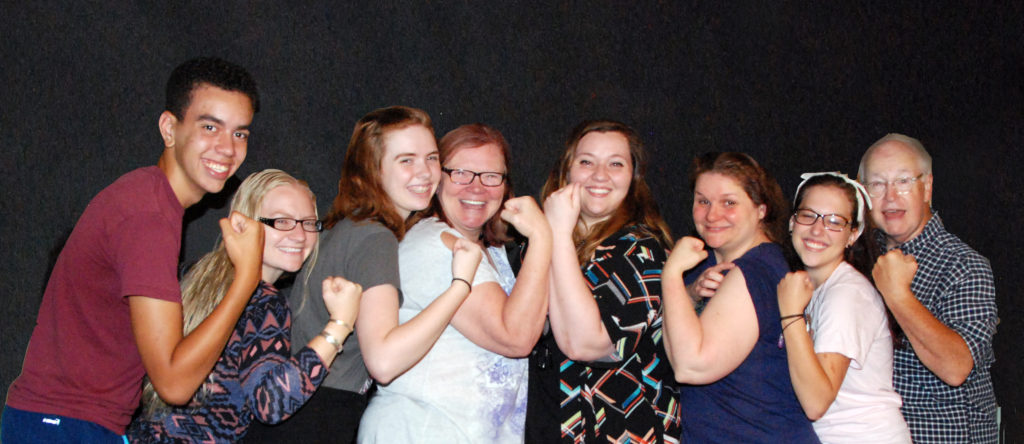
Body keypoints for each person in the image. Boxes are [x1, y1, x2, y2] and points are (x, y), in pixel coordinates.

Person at [2, 57, 262, 443]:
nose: (227, 148)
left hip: (70, 423)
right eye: (210, 127)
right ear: (169, 128)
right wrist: (246, 278)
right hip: (63, 425)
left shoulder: (149, 201)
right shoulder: (147, 216)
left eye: (240, 133)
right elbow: (174, 383)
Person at [244, 106, 482, 443]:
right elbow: (384, 360)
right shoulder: (375, 238)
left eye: (431, 158)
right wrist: (460, 285)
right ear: (372, 170)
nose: (426, 172)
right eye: (406, 160)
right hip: (317, 419)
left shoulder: (348, 227)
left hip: (298, 417)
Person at [126, 169, 362, 443]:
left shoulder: (194, 277)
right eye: (282, 221)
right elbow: (271, 402)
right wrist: (341, 323)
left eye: (308, 223)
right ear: (245, 224)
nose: (299, 235)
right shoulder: (264, 302)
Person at [357, 124, 551, 443]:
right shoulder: (436, 245)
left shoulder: (494, 252)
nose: (476, 188)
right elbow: (515, 337)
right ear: (437, 178)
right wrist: (543, 236)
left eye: (491, 176)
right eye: (461, 173)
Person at [529, 120, 679, 442]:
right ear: (566, 171)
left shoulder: (643, 252)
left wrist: (556, 233)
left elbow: (587, 345)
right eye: (586, 161)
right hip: (553, 424)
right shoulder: (540, 241)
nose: (600, 175)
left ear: (632, 177)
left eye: (616, 163)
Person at [661, 152, 818, 443]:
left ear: (760, 209)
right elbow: (673, 341)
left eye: (729, 203)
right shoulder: (710, 265)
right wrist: (689, 294)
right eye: (703, 200)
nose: (712, 214)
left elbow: (690, 366)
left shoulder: (757, 271)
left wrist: (670, 277)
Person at [858, 134, 997, 443]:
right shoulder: (860, 256)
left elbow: (955, 367)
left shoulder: (964, 265)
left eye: (903, 181)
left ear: (927, 187)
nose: (890, 197)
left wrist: (897, 295)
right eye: (877, 184)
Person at [776, 172, 911, 443]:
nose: (817, 230)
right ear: (792, 222)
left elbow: (816, 403)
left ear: (853, 234)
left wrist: (790, 315)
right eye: (808, 215)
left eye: (834, 221)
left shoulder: (846, 295)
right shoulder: (815, 288)